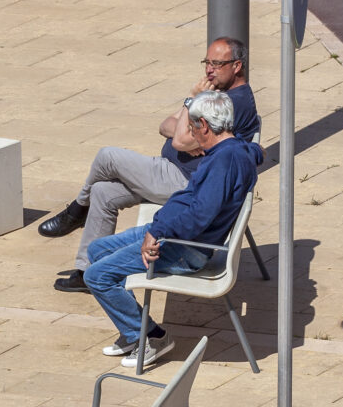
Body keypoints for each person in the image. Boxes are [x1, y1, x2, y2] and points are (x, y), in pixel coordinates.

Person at [38, 38, 259, 293]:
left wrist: (190, 101)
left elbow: (177, 140)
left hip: (182, 179)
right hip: (168, 172)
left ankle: (76, 211)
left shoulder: (232, 102)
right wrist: (184, 128)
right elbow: (165, 125)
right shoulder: (216, 95)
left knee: (107, 156)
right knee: (103, 192)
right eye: (207, 62)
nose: (209, 70)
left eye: (217, 64)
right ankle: (86, 271)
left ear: (237, 66)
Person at [84, 88, 262, 371]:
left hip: (186, 249)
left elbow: (199, 217)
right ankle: (134, 332)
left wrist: (158, 231)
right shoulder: (234, 148)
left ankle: (152, 337)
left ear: (205, 125)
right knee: (97, 249)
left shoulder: (223, 162)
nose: (191, 135)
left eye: (192, 127)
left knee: (97, 276)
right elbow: (193, 200)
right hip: (174, 234)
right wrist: (159, 225)